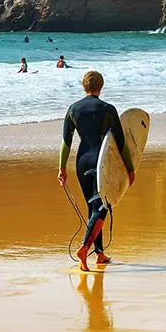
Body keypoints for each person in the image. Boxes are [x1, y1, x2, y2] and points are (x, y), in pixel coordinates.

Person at [58, 71, 134, 272]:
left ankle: (99, 254)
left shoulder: (73, 109)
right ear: (101, 85)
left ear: (84, 86)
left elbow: (66, 142)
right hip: (102, 162)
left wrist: (61, 168)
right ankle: (84, 249)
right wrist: (130, 168)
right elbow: (121, 142)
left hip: (82, 162)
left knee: (93, 208)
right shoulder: (108, 109)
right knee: (101, 208)